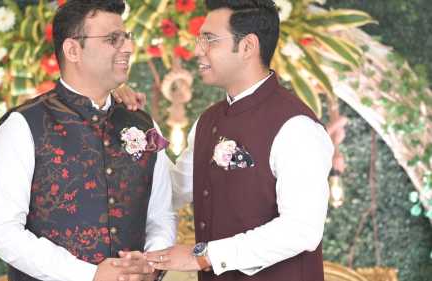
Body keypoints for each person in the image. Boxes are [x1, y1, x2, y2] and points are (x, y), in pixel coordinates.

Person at [115, 0, 334, 280]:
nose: (198, 50)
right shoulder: (208, 121)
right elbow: (171, 190)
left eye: (209, 40)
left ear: (247, 47)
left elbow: (302, 230)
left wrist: (204, 255)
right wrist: (137, 123)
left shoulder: (296, 127)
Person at [0, 1, 176, 281]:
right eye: (112, 39)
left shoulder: (145, 125)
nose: (128, 48)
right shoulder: (22, 126)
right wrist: (90, 275)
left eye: (126, 37)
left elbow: (162, 213)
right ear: (73, 50)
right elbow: (1, 232)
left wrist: (150, 265)